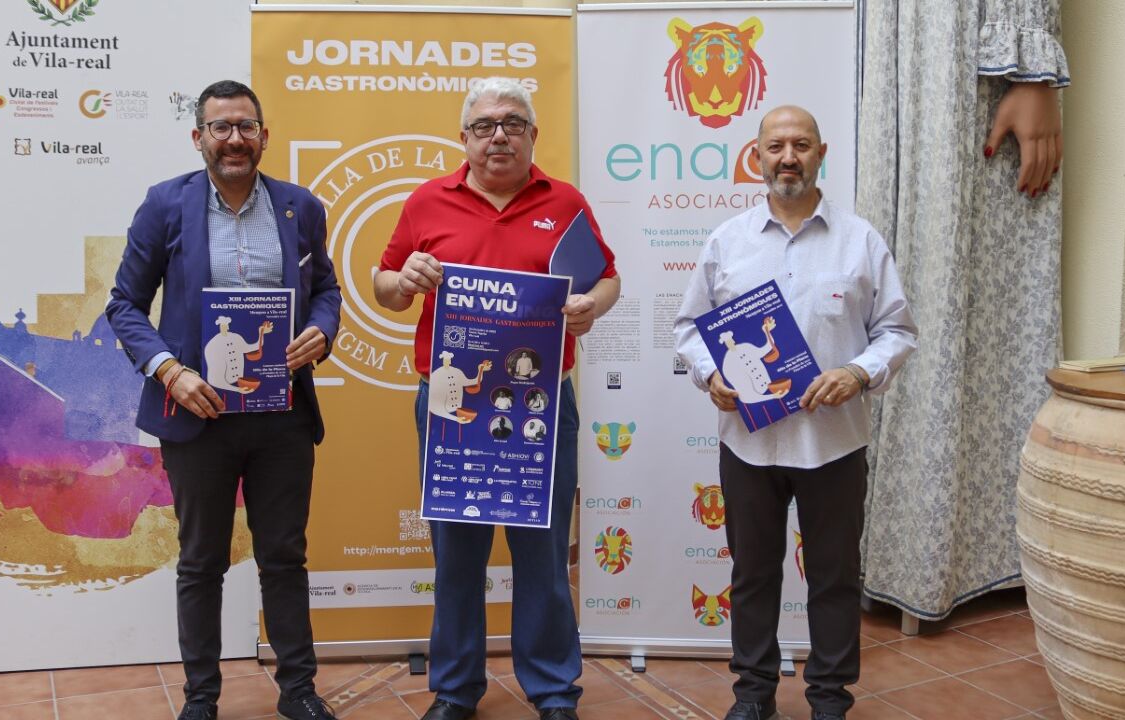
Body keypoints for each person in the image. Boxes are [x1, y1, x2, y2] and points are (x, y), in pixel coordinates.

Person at [372, 77, 621, 720]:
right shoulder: (427, 201)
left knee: (543, 552)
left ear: (533, 135)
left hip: (541, 405)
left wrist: (592, 305)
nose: (499, 136)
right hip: (452, 405)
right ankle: (456, 689)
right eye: (484, 126)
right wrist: (403, 279)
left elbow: (608, 277)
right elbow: (384, 286)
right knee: (458, 554)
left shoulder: (565, 202)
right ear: (464, 138)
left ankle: (554, 691)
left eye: (512, 123)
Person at [105, 80, 341, 720]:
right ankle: (201, 699)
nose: (235, 139)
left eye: (246, 126)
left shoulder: (300, 207)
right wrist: (168, 371)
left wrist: (323, 330)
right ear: (199, 137)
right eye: (221, 127)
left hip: (282, 415)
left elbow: (326, 289)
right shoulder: (165, 205)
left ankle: (298, 692)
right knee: (201, 561)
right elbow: (124, 305)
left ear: (264, 135)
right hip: (197, 414)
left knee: (284, 557)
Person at [673, 105, 917, 720]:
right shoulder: (726, 242)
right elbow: (690, 329)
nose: (788, 158)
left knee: (835, 577)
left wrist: (858, 371)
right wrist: (711, 373)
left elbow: (897, 330)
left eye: (801, 145)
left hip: (833, 444)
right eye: (776, 146)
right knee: (753, 575)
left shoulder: (861, 241)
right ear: (756, 157)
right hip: (748, 443)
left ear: (820, 154)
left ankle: (830, 699)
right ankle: (753, 696)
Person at [855, 0, 1067, 622]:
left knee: (940, 263)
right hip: (869, 35)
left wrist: (1030, 64)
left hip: (946, 40)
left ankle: (942, 550)